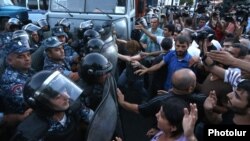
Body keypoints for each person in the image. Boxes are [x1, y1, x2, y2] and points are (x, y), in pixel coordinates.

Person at [11, 70, 94, 141]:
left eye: (64, 89)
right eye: (57, 96)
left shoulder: (74, 106)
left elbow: (95, 120)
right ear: (42, 103)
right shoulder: (32, 134)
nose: (67, 97)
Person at [113, 97, 198, 141]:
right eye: (159, 112)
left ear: (173, 127)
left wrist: (190, 136)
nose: (156, 115)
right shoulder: (169, 132)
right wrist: (160, 133)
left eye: (161, 116)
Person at [0, 41, 34, 140]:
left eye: (28, 55)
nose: (27, 59)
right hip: (25, 126)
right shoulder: (10, 80)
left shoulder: (28, 70)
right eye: (20, 56)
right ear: (10, 61)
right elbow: (29, 102)